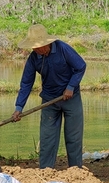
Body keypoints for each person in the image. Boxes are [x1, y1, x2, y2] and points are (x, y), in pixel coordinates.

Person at [12, 24, 87, 169]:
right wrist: (18, 107)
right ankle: (46, 170)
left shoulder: (63, 49)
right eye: (32, 46)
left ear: (45, 44)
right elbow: (26, 83)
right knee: (47, 138)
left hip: (71, 98)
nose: (34, 49)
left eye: (36, 46)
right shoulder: (34, 58)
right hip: (49, 100)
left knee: (73, 137)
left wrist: (70, 87)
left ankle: (76, 171)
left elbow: (80, 66)